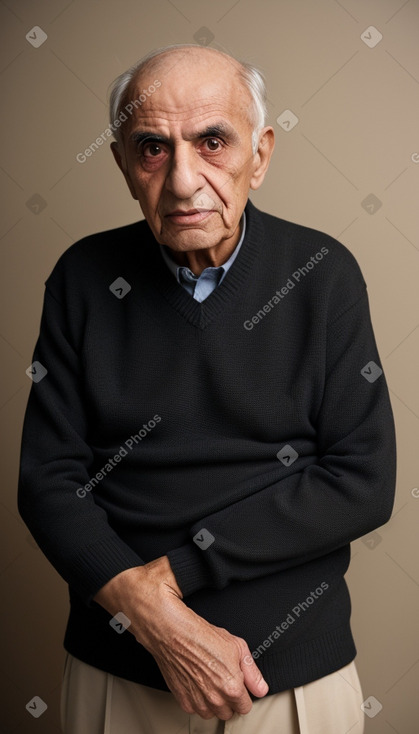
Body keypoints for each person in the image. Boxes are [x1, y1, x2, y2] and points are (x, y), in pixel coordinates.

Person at [18, 43, 396, 734]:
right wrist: (147, 614)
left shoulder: (322, 274)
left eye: (213, 142)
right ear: (123, 166)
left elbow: (361, 481)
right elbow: (47, 481)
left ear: (261, 153)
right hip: (120, 677)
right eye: (152, 148)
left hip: (290, 685)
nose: (185, 181)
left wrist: (175, 575)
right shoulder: (82, 277)